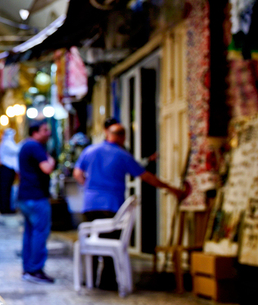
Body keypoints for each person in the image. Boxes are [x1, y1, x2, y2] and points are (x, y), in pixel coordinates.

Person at [73, 121, 187, 290]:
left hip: (90, 204)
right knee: (110, 243)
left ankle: (89, 279)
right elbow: (146, 176)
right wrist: (171, 189)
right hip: (111, 205)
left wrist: (89, 188)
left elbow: (77, 174)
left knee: (92, 242)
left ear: (107, 134)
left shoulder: (90, 150)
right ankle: (107, 282)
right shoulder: (122, 155)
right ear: (123, 137)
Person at [17, 119, 56, 284]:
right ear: (35, 132)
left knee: (30, 234)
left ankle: (28, 268)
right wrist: (51, 159)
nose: (48, 133)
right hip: (36, 197)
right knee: (40, 233)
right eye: (45, 130)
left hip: (25, 197)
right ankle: (35, 270)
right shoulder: (35, 146)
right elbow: (47, 168)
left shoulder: (25, 145)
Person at [0, 128, 19, 214]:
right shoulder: (7, 144)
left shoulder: (8, 143)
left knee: (8, 190)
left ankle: (7, 208)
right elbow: (17, 150)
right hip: (5, 169)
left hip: (8, 170)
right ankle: (4, 208)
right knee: (5, 190)